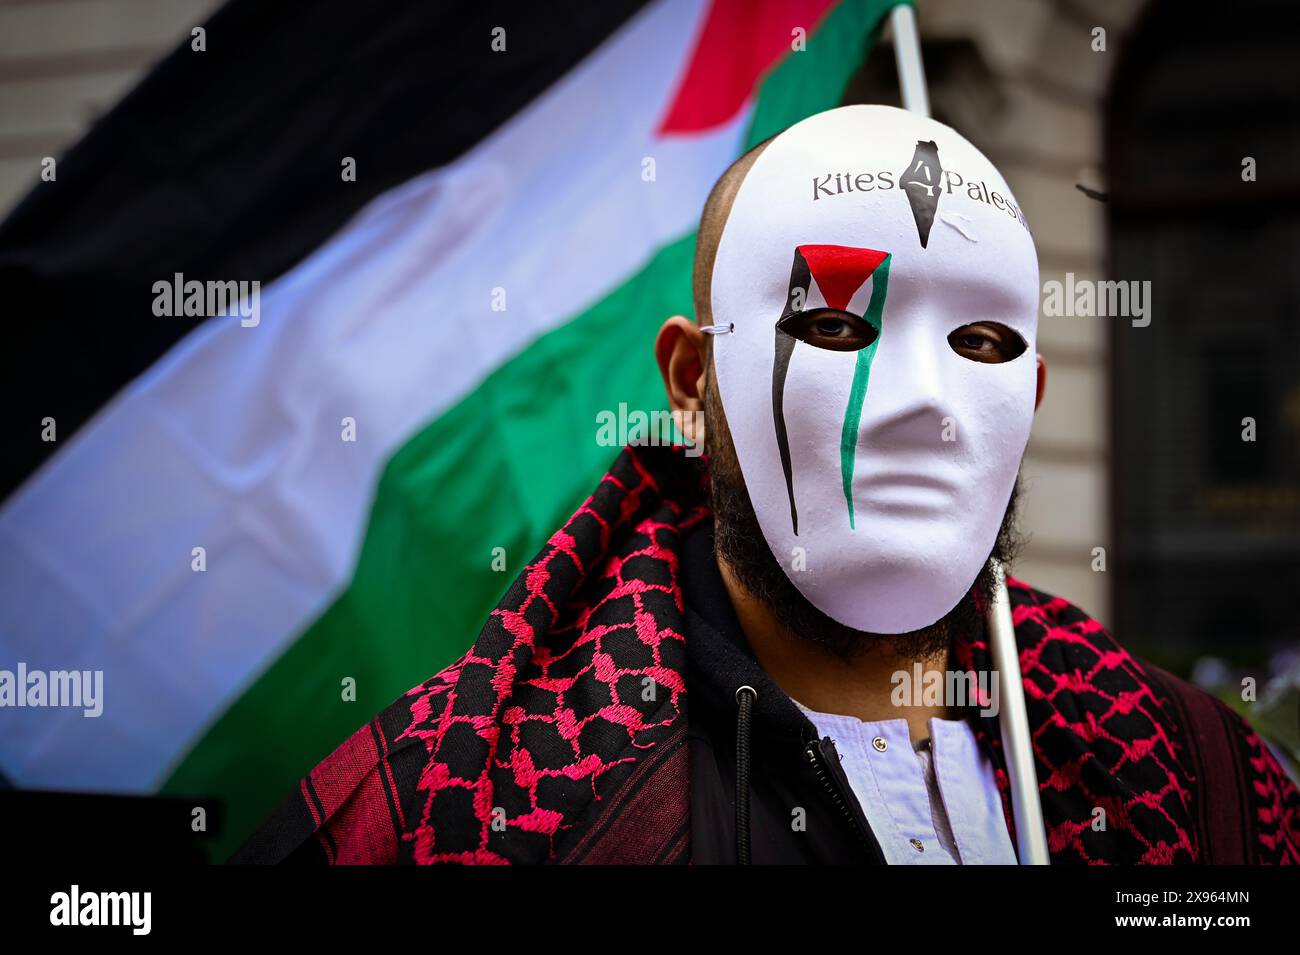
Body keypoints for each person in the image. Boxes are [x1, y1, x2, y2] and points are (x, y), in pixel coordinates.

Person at [233, 105, 1299, 865]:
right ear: (692, 383)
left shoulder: (1191, 773)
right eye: (833, 326)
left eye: (977, 341)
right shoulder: (442, 803)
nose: (917, 402)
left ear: (1031, 390)